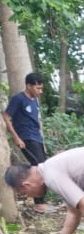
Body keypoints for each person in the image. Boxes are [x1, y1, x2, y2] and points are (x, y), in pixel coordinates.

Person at [4, 72, 52, 212]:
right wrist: (16, 137)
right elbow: (6, 117)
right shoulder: (18, 99)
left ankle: (41, 200)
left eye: (41, 88)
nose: (40, 91)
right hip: (26, 138)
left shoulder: (34, 100)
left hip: (36, 137)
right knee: (39, 167)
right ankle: (39, 204)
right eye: (38, 88)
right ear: (29, 86)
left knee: (43, 166)